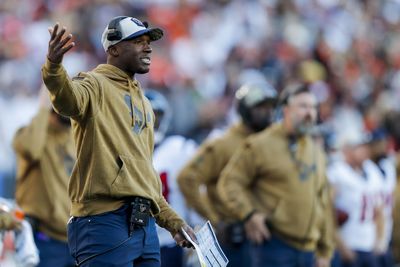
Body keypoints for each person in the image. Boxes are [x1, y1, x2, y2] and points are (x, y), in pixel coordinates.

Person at [41, 16, 195, 266]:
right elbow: (66, 100)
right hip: (103, 221)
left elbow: (145, 175)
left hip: (145, 227)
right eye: (137, 41)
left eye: (148, 42)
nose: (147, 47)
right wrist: (54, 66)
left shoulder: (144, 102)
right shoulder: (94, 84)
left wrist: (173, 222)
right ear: (113, 49)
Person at [217, 83, 334, 267]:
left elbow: (323, 200)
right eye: (303, 106)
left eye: (313, 107)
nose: (310, 113)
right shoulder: (260, 144)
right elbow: (229, 182)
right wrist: (249, 214)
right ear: (286, 110)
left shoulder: (315, 150)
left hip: (308, 251)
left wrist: (325, 250)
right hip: (274, 246)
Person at [177, 82, 278, 267]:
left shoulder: (271, 143)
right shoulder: (223, 144)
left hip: (268, 237)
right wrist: (215, 221)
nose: (268, 112)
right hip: (235, 239)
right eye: (260, 107)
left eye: (270, 107)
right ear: (245, 110)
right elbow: (187, 178)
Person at [13, 86, 75, 267]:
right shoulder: (33, 134)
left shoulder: (76, 137)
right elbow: (31, 149)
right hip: (43, 239)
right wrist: (43, 106)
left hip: (76, 240)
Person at [145, 89, 202, 267]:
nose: (152, 121)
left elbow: (196, 191)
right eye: (147, 115)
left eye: (156, 115)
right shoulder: (123, 151)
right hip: (137, 242)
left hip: (174, 240)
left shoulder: (180, 148)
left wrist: (198, 227)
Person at [327, 130, 384, 267]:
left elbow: (379, 211)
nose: (365, 151)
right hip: (348, 244)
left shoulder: (372, 170)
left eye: (365, 147)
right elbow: (327, 213)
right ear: (347, 150)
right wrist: (341, 245)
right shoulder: (336, 172)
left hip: (369, 245)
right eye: (359, 147)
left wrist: (379, 240)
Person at [368, 128, 397, 267]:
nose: (381, 146)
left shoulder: (388, 166)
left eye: (383, 143)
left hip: (388, 227)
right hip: (371, 229)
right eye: (378, 143)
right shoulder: (366, 168)